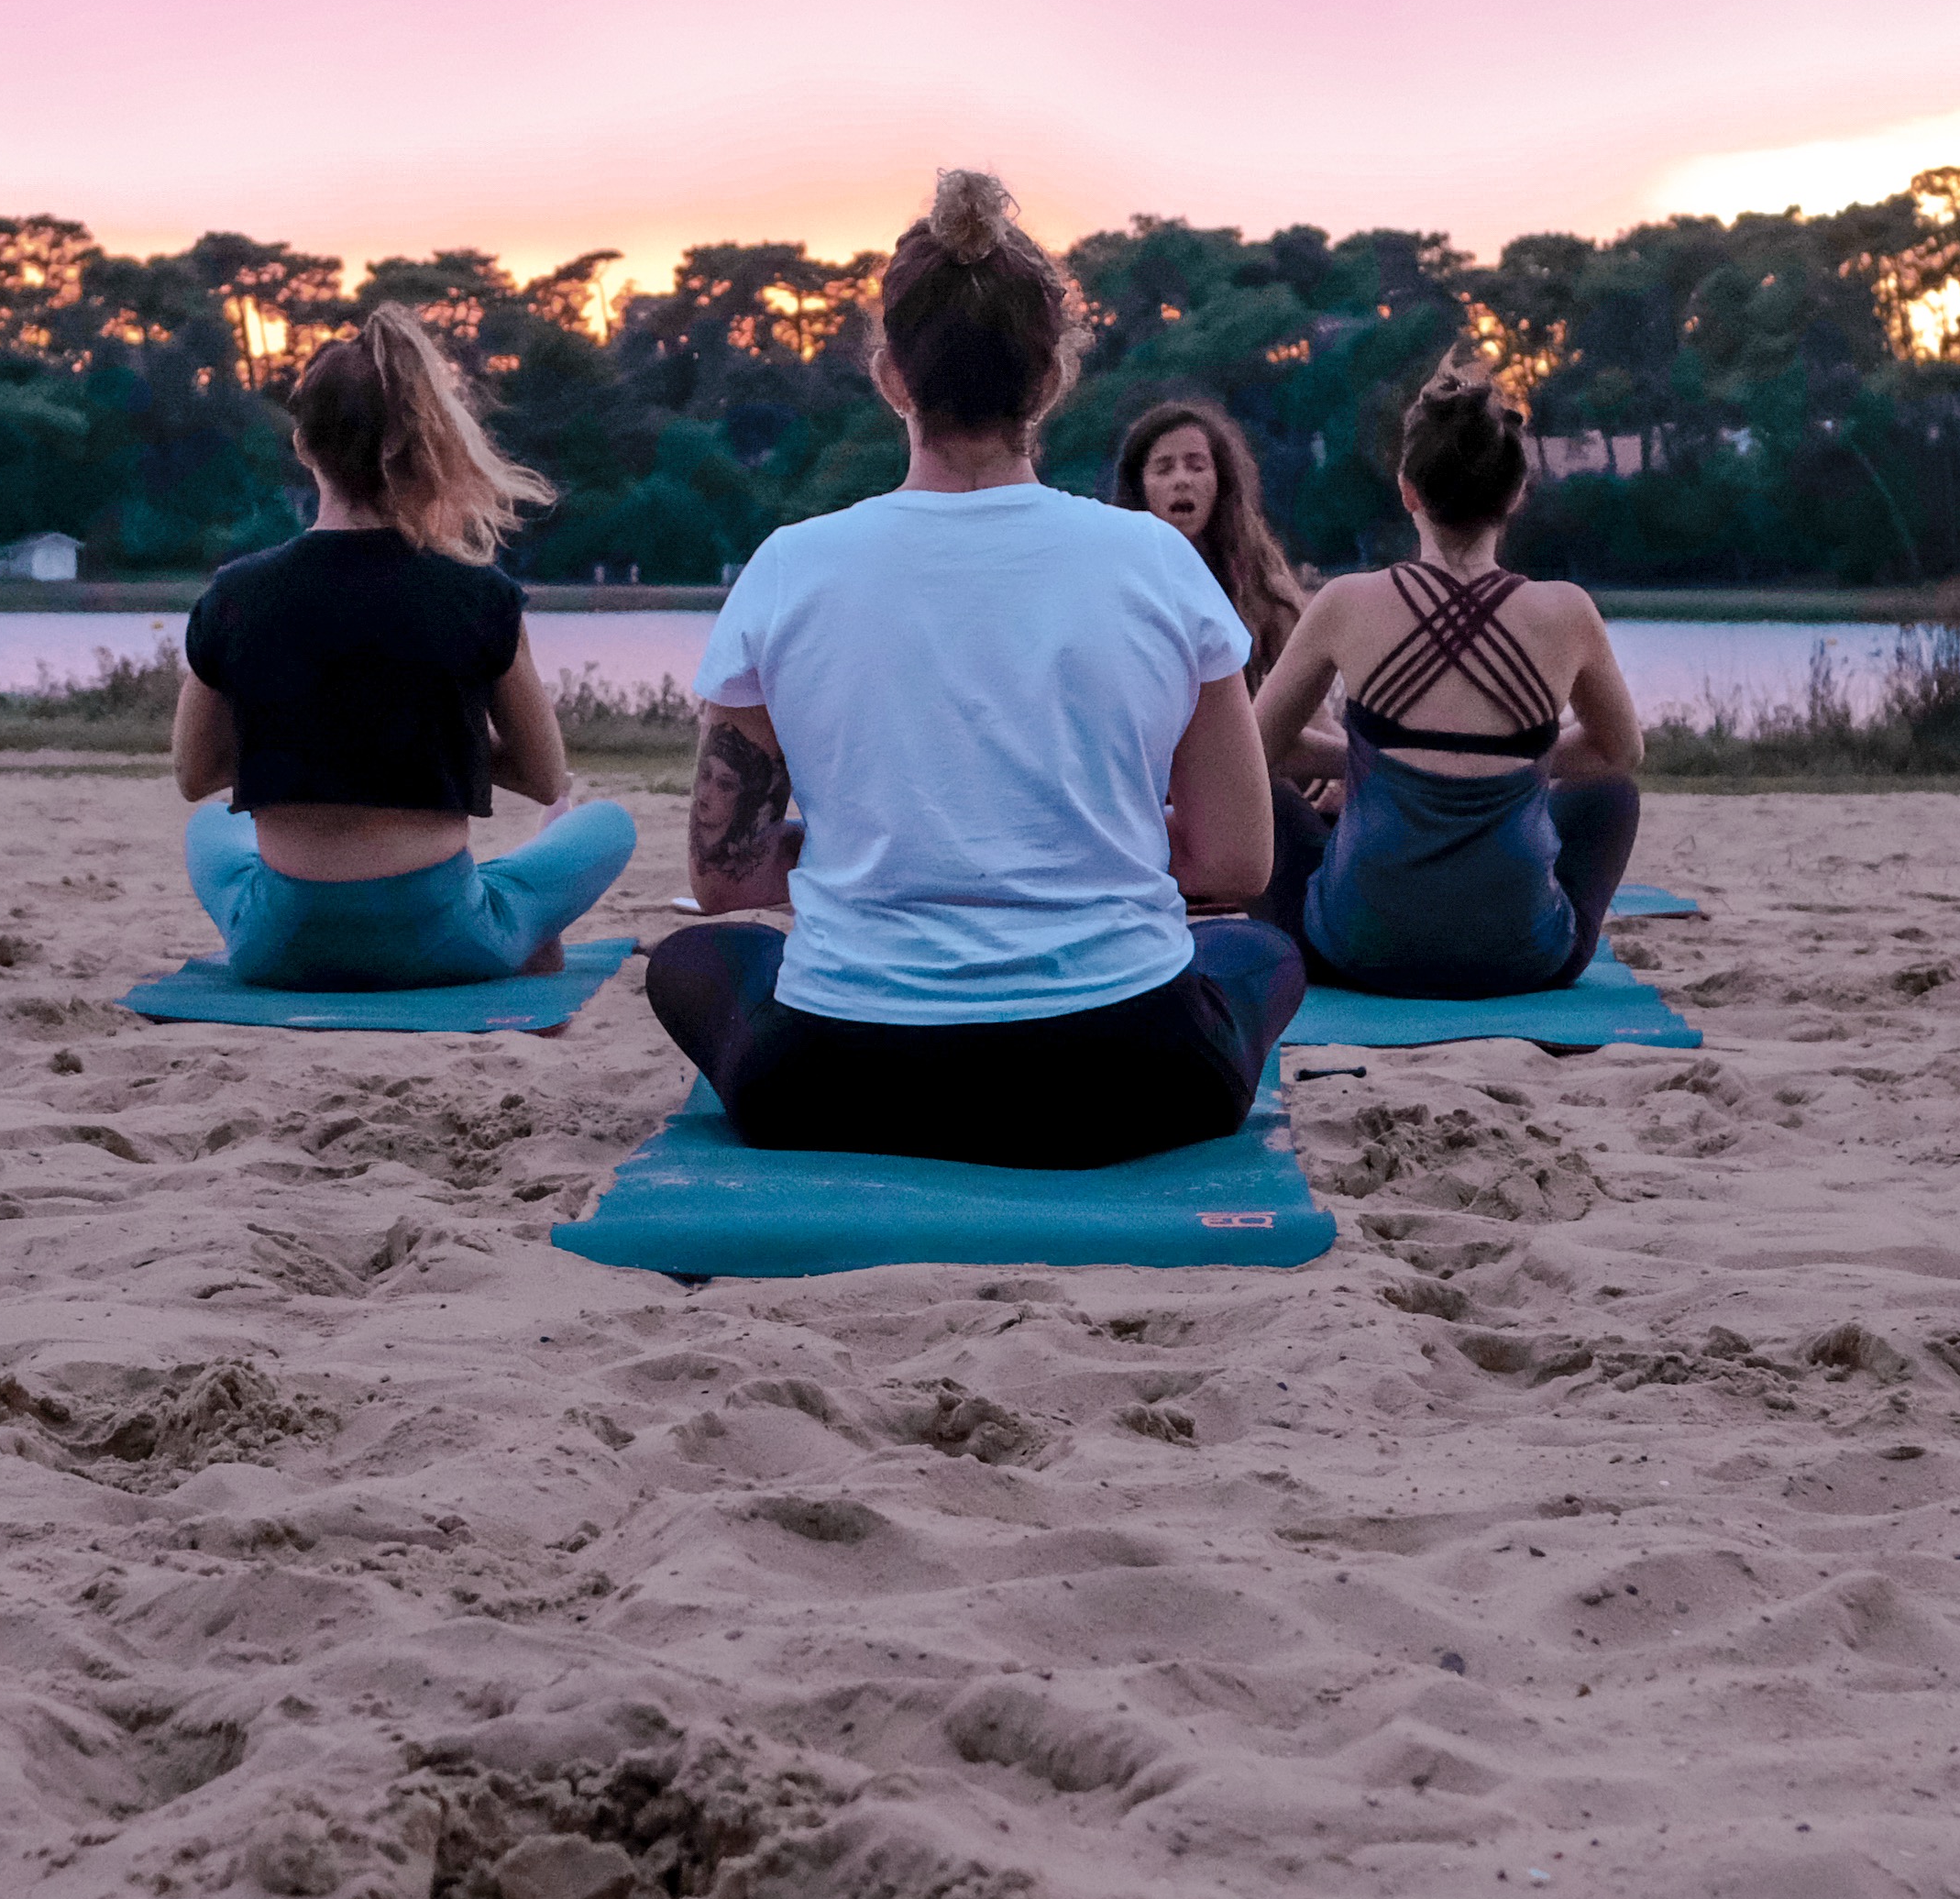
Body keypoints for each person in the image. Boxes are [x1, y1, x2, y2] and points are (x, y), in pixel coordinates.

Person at [647, 170, 1297, 1167]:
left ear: (890, 374)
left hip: (842, 1076)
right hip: (1132, 1070)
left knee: (693, 959)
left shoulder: (789, 566)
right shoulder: (1157, 562)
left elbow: (724, 879)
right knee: (1259, 952)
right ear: (1049, 379)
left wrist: (881, 849)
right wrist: (1062, 844)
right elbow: (1234, 863)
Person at [172, 308, 634, 985]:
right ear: (422, 444)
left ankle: (493, 911)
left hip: (279, 946)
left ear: (303, 444)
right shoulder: (481, 596)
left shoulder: (233, 594)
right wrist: (428, 743)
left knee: (211, 831)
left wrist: (316, 737)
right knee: (606, 825)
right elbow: (544, 777)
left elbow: (194, 774)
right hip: (447, 940)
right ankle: (523, 924)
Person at [1245, 361, 1646, 997]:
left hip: (1355, 954)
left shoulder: (1347, 602)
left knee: (1268, 803)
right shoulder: (1567, 612)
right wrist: (1518, 766)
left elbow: (1255, 752)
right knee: (1612, 796)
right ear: (1516, 493)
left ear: (1408, 490)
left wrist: (1367, 761)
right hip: (1524, 958)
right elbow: (1619, 751)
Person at [1111, 397, 1308, 684]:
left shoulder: (1264, 592)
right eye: (1164, 469)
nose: (1182, 480)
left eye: (1196, 466)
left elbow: (1307, 712)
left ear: (1221, 480)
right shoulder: (1119, 584)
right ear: (1139, 486)